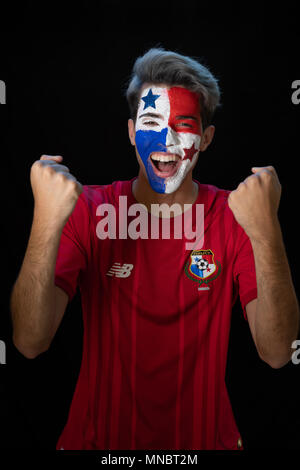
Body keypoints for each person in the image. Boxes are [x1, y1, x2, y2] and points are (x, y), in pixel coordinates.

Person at [10, 48, 299, 450]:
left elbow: (279, 353)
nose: (166, 140)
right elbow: (28, 341)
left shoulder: (235, 217)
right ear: (131, 132)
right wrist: (46, 220)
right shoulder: (90, 211)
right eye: (151, 122)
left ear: (207, 138)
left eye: (184, 126)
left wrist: (267, 230)